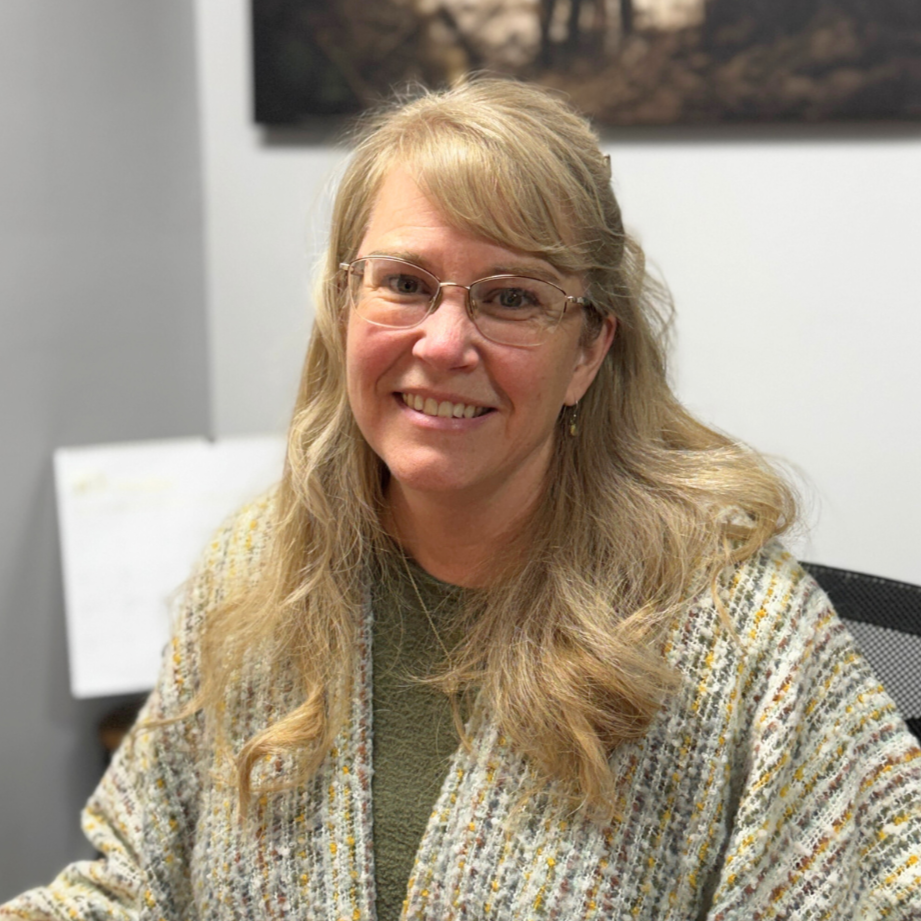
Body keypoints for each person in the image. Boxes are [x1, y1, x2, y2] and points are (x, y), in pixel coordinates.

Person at [3, 77, 920, 921]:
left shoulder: (738, 631)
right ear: (344, 304)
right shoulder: (255, 575)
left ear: (589, 351)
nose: (444, 343)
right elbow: (133, 885)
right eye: (403, 283)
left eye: (511, 297)